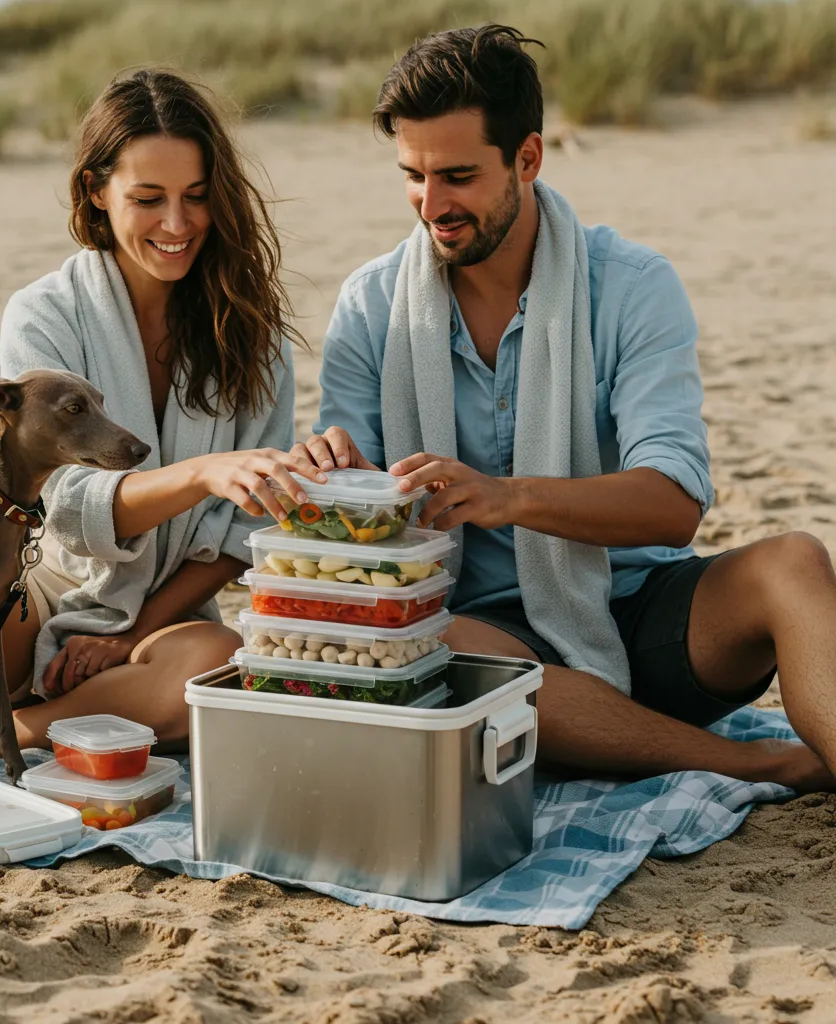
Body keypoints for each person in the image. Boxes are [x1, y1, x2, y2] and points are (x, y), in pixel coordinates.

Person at [297, 25, 836, 792]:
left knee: (794, 562)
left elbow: (675, 505)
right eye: (413, 176)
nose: (432, 205)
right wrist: (331, 476)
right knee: (418, 644)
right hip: (486, 634)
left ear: (528, 158)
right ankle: (759, 763)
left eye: (457, 176)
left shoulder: (633, 285)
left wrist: (508, 497)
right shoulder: (372, 305)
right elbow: (350, 494)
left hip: (647, 614)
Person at [0, 68, 322, 758]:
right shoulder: (45, 314)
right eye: (148, 199)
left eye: (197, 196)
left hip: (163, 618)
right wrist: (203, 472)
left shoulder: (250, 333)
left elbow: (241, 530)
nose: (177, 224)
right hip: (28, 597)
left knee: (215, 665)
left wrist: (127, 631)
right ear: (96, 191)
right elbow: (61, 505)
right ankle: (28, 704)